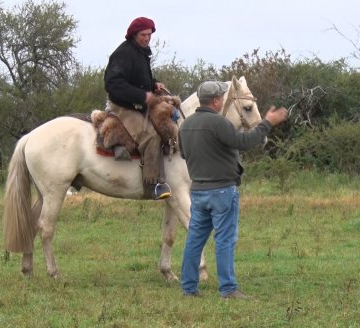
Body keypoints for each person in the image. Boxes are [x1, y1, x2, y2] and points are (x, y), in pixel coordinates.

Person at [178, 81, 288, 299]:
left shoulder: (186, 125)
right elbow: (245, 142)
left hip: (198, 191)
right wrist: (267, 122)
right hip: (222, 191)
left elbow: (183, 154)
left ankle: (189, 288)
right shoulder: (220, 123)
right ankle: (228, 289)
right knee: (225, 239)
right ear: (217, 101)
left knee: (194, 240)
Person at [104, 16, 171, 200]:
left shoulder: (141, 52)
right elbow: (113, 83)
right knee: (151, 137)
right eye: (143, 35)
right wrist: (143, 96)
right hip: (122, 106)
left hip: (138, 104)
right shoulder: (123, 53)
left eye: (149, 35)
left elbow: (139, 79)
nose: (147, 38)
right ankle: (152, 185)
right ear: (134, 34)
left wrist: (154, 84)